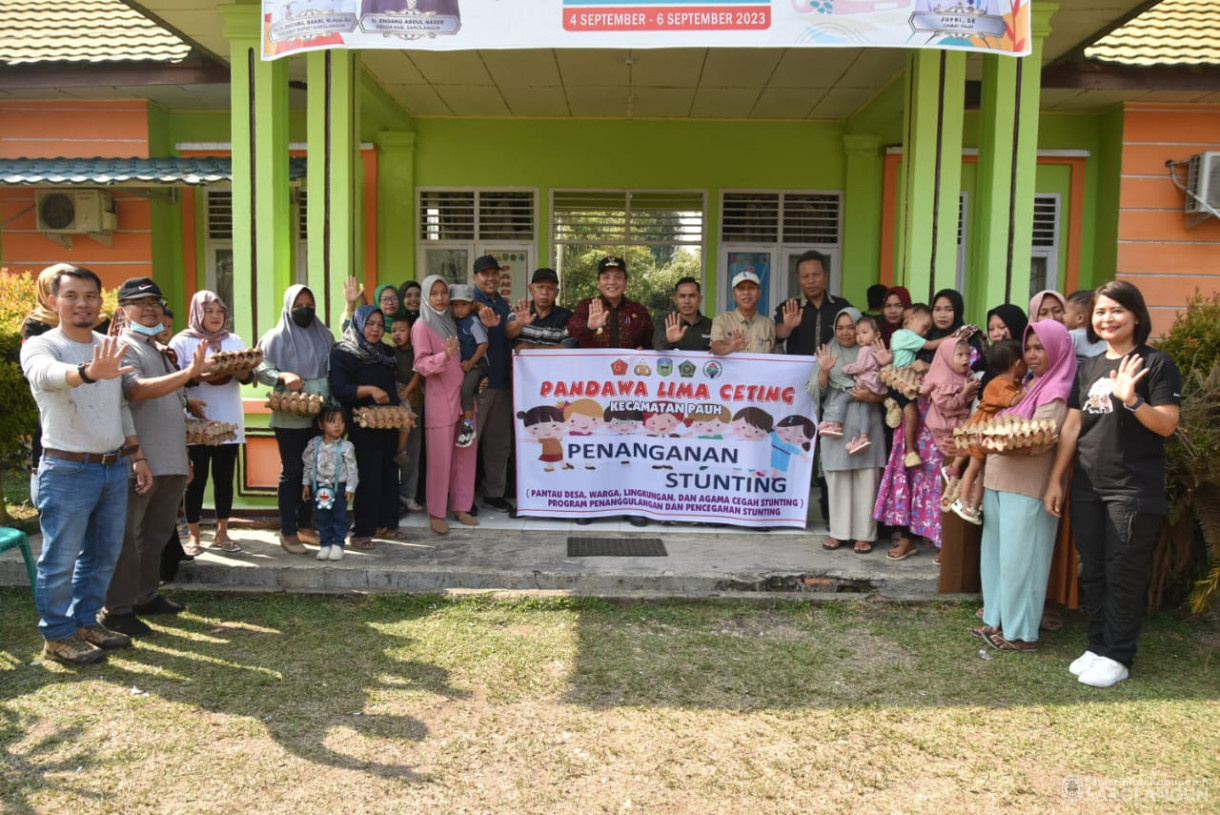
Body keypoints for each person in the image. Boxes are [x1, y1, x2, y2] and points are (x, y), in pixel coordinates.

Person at [1045, 281, 1181, 688]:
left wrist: (1133, 400)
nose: (1107, 318)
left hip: (1133, 490)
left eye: (1117, 310)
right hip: (1088, 485)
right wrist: (1057, 479)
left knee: (1124, 571)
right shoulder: (1088, 367)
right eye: (1101, 311)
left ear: (1136, 315)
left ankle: (1118, 655)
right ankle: (1097, 645)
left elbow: (1168, 424)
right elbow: (1073, 425)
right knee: (1095, 572)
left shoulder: (1155, 364)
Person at [20, 266, 149, 664]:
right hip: (66, 470)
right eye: (72, 295)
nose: (82, 303)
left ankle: (85, 621)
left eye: (90, 295)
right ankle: (57, 635)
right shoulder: (42, 345)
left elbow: (120, 408)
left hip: (112, 467)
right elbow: (47, 376)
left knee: (102, 554)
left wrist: (136, 456)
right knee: (59, 558)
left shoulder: (107, 344)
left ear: (100, 301)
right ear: (53, 301)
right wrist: (88, 372)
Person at [104, 277, 210, 638]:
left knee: (157, 534)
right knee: (128, 537)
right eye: (140, 303)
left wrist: (187, 402)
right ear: (123, 311)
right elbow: (134, 391)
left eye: (155, 302)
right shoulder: (122, 347)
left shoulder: (158, 349)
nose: (149, 309)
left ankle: (145, 596)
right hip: (140, 460)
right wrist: (189, 374)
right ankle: (117, 609)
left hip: (171, 460)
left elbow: (169, 402)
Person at [976, 320, 1076, 652]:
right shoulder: (1031, 385)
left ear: (1058, 349)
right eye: (1028, 349)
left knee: (1023, 562)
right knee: (996, 557)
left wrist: (991, 440)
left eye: (1040, 348)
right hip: (998, 481)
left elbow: (1040, 441)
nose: (1032, 355)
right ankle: (996, 618)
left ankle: (1021, 633)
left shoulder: (1056, 390)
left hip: (1028, 485)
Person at [170, 291, 256, 555]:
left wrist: (235, 368)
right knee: (196, 479)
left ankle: (222, 532)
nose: (216, 317)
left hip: (229, 418)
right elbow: (177, 379)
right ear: (198, 313)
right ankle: (194, 535)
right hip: (197, 422)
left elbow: (247, 375)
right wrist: (203, 370)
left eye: (220, 311)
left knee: (224, 477)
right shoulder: (182, 342)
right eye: (209, 311)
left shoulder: (233, 340)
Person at [256, 285, 335, 554]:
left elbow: (334, 366)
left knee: (315, 473)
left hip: (320, 415)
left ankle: (306, 525)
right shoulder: (275, 337)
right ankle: (288, 532)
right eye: (298, 304)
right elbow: (259, 367)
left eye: (309, 303)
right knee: (293, 473)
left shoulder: (324, 334)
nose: (305, 308)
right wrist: (282, 375)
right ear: (288, 307)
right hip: (290, 418)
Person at [808, 308, 887, 553]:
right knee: (839, 482)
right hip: (837, 425)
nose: (845, 332)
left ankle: (865, 534)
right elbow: (814, 392)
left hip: (867, 423)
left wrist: (871, 394)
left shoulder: (875, 353)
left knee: (866, 480)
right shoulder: (828, 351)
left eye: (850, 327)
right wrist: (823, 371)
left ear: (860, 328)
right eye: (840, 327)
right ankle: (839, 533)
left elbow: (888, 384)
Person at [330, 305, 403, 550]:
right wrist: (369, 390)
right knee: (368, 476)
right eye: (370, 324)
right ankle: (361, 531)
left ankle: (385, 525)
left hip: (388, 422)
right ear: (359, 324)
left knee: (389, 473)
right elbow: (340, 389)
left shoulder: (386, 352)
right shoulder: (345, 352)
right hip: (362, 423)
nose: (375, 329)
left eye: (380, 325)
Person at [413, 275, 479, 534]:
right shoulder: (421, 326)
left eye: (444, 293)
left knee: (465, 453)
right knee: (440, 459)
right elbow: (421, 364)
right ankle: (437, 512)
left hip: (464, 398)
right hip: (440, 400)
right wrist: (444, 356)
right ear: (426, 298)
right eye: (435, 293)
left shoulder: (454, 322)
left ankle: (461, 507)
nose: (440, 298)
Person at [947, 340, 1027, 524]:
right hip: (982, 427)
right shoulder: (998, 383)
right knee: (974, 466)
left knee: (982, 470)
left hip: (989, 429)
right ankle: (963, 500)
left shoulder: (1011, 382)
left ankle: (975, 505)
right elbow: (1013, 401)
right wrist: (1030, 391)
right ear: (1017, 364)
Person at [470, 255, 519, 515]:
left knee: (499, 442)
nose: (490, 278)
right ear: (475, 277)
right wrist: (474, 306)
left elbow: (511, 332)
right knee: (469, 442)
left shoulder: (502, 303)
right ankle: (464, 496)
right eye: (484, 274)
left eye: (494, 273)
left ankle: (494, 493)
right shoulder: (467, 302)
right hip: (478, 384)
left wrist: (519, 321)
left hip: (502, 382)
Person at [302, 405, 359, 562]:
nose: (337, 425)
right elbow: (308, 464)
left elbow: (352, 468)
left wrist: (350, 487)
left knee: (339, 517)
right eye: (332, 421)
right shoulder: (314, 444)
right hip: (318, 487)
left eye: (341, 421)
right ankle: (325, 544)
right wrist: (306, 484)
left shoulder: (346, 447)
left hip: (339, 488)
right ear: (321, 424)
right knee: (321, 517)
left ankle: (338, 545)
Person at [827, 314, 886, 454]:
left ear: (877, 335)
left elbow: (860, 367)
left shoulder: (864, 350)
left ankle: (836, 425)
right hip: (874, 386)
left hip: (863, 385)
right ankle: (864, 436)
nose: (860, 337)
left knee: (842, 399)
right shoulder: (877, 350)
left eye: (864, 333)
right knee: (865, 410)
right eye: (858, 333)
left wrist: (847, 368)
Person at [568, 256, 654, 350]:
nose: (612, 282)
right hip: (591, 364)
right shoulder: (586, 306)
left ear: (626, 283)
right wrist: (588, 327)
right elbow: (572, 332)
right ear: (598, 283)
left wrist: (644, 351)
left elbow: (650, 342)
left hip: (628, 364)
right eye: (606, 277)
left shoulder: (639, 310)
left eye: (618, 277)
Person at [774, 249, 851, 354]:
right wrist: (787, 327)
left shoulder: (842, 306)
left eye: (816, 275)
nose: (811, 281)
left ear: (825, 276)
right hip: (799, 368)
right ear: (798, 279)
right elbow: (778, 335)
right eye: (805, 276)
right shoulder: (790, 307)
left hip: (834, 368)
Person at [389, 314, 424, 512]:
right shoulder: (390, 352)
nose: (398, 335)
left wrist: (407, 391)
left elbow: (418, 373)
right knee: (393, 451)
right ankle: (393, 496)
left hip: (413, 401)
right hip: (393, 407)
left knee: (413, 452)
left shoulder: (418, 352)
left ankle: (408, 494)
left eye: (402, 330)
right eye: (394, 331)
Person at [448, 283, 489, 448]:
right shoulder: (454, 321)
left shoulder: (473, 322)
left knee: (466, 391)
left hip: (478, 364)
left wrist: (472, 362)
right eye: (455, 305)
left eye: (463, 305)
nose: (459, 309)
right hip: (465, 365)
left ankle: (468, 427)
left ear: (472, 305)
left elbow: (484, 344)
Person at [711, 270, 776, 355]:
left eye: (751, 288)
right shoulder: (721, 320)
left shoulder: (769, 325)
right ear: (734, 294)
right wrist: (730, 348)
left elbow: (777, 357)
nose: (746, 292)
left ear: (759, 293)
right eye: (741, 288)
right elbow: (716, 347)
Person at [514, 268, 574, 349]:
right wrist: (518, 324)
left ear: (556, 293)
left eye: (550, 288)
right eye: (540, 287)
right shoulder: (519, 311)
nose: (545, 292)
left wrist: (534, 348)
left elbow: (568, 346)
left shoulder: (566, 316)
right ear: (531, 289)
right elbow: (507, 333)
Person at [653, 276, 712, 352]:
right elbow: (656, 346)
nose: (687, 301)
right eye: (682, 296)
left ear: (700, 299)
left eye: (692, 296)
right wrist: (669, 340)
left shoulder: (710, 324)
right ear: (675, 300)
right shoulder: (665, 322)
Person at [1066, 289, 1107, 363]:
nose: (1062, 316)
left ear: (1080, 318)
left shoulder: (1070, 336)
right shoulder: (1105, 339)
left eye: (1065, 312)